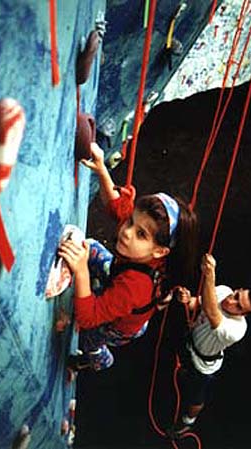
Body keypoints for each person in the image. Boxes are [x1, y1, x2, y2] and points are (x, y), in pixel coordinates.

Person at [58, 142, 198, 372]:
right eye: (132, 221)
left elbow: (89, 317)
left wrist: (81, 270)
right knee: (91, 247)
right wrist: (102, 169)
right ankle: (98, 288)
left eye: (141, 234)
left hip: (121, 327)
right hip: (124, 290)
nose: (127, 231)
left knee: (90, 337)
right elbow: (116, 207)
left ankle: (98, 360)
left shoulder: (135, 287)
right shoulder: (139, 234)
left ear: (160, 251)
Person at [170, 253, 251, 437]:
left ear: (244, 314)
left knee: (195, 397)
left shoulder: (237, 329)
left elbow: (211, 312)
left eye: (238, 306)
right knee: (183, 367)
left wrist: (210, 274)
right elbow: (197, 303)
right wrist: (187, 299)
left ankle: (187, 422)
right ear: (238, 289)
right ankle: (183, 371)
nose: (231, 301)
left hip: (203, 364)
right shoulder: (224, 290)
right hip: (190, 341)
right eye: (236, 295)